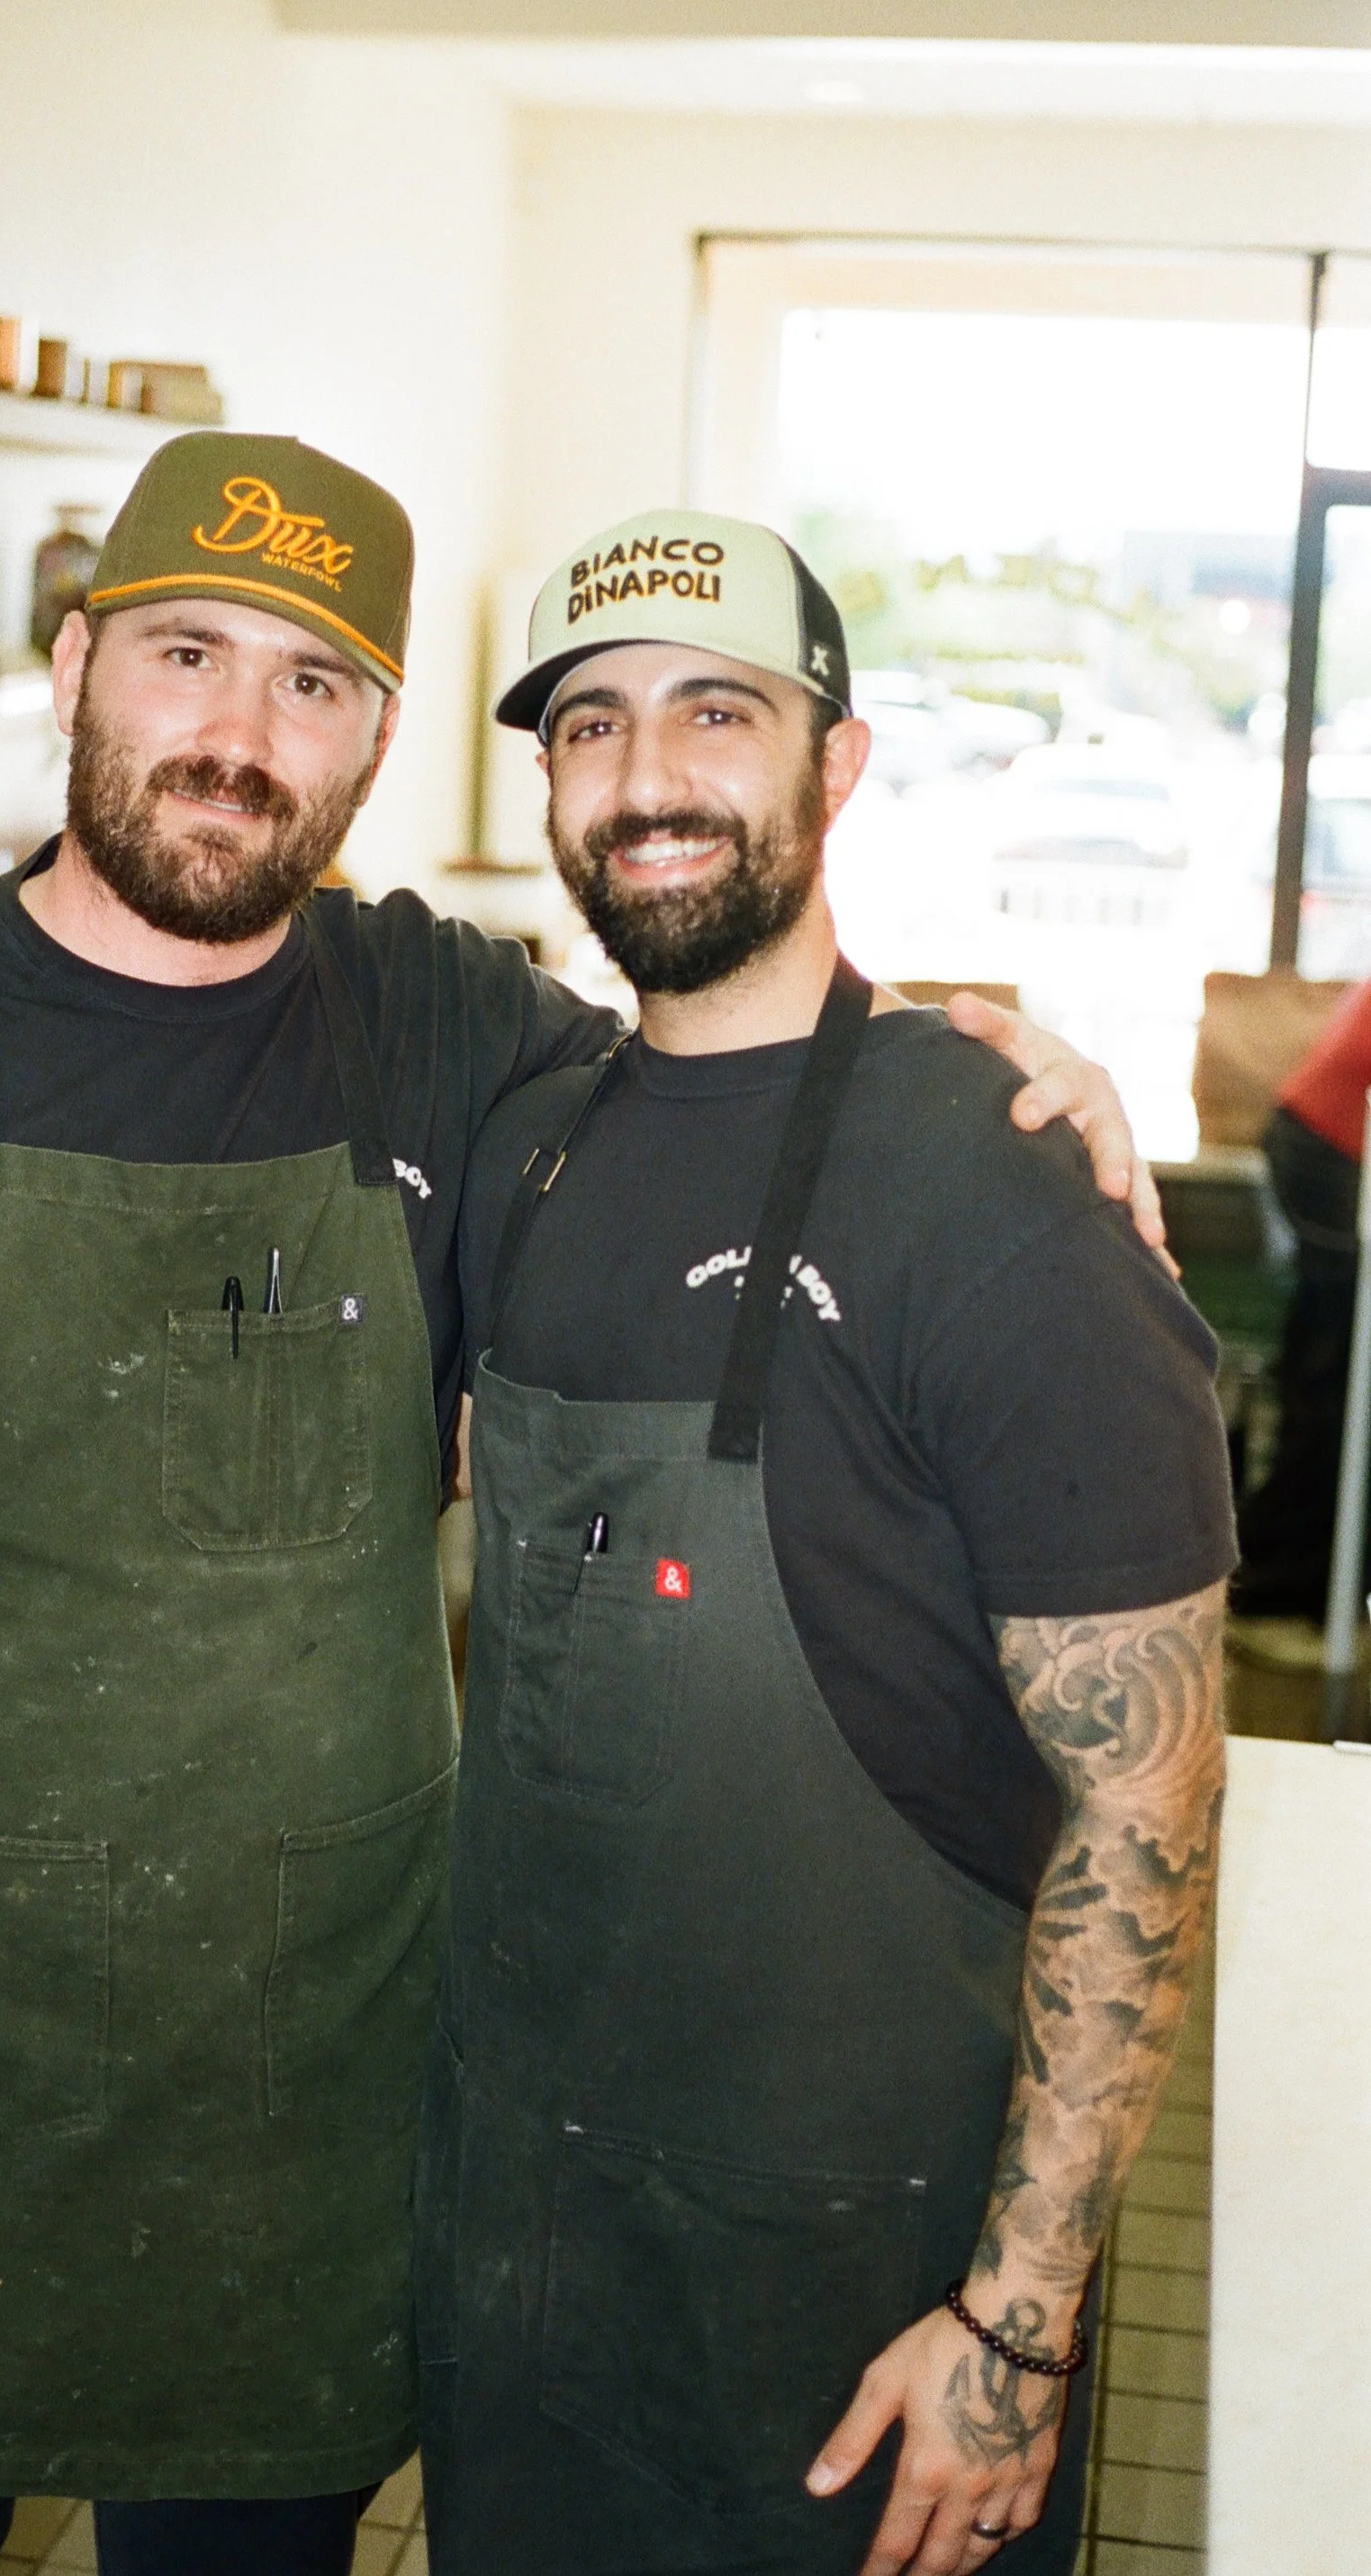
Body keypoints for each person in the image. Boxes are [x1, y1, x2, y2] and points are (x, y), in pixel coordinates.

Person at [0, 435, 1152, 2576]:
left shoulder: (456, 1036)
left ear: (377, 737)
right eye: (187, 656)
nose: (236, 734)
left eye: (310, 685)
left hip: (298, 2138)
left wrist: (996, 1056)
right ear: (76, 664)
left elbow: (739, 1045)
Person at [419, 512, 1235, 2576]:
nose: (649, 775)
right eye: (590, 724)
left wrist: (1016, 2326)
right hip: (536, 2275)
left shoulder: (994, 1179)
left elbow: (1143, 1802)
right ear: (546, 783)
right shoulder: (527, 1143)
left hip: (872, 2302)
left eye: (718, 711)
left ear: (835, 764)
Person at [1231, 977, 1371, 1620]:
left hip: (1330, 1145)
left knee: (1330, 1364)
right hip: (1328, 1150)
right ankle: (1288, 1577)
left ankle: (1287, 1568)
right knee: (1338, 1376)